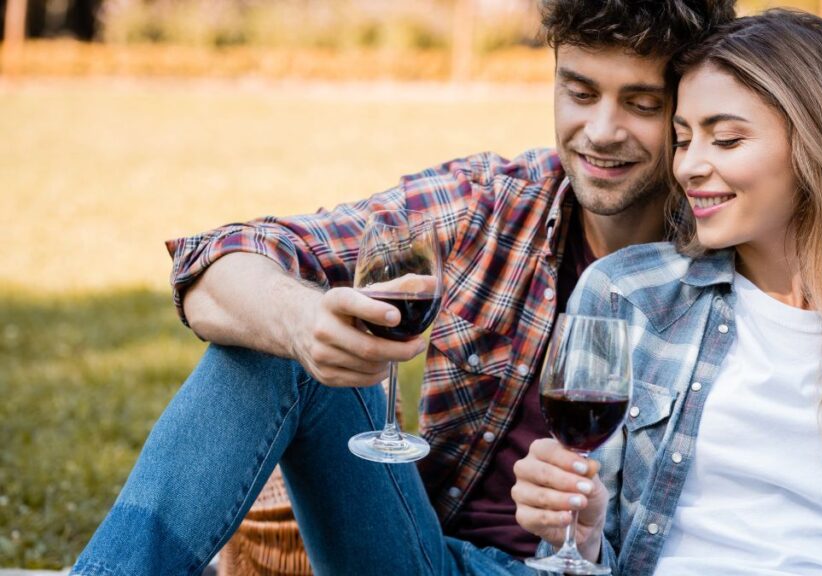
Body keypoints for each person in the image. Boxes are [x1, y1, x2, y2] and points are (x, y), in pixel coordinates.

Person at [69, 2, 738, 575]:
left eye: (641, 104)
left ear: (688, 109)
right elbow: (217, 259)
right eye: (580, 93)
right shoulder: (494, 205)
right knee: (271, 333)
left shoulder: (734, 261)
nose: (600, 131)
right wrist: (302, 320)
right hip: (422, 556)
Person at [511, 9, 822, 576]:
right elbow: (576, 556)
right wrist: (578, 536)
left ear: (815, 144)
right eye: (683, 140)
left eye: (726, 139)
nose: (690, 166)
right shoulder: (630, 294)